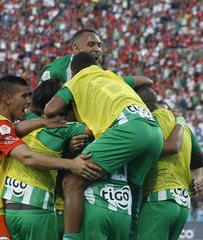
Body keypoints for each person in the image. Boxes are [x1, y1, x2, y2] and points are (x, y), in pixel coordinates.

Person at [0, 75, 100, 240]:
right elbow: (27, 157)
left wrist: (44, 123)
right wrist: (71, 164)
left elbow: (18, 128)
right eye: (24, 96)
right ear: (7, 99)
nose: (28, 101)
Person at [44, 52, 164, 240]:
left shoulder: (77, 80)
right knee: (132, 186)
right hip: (155, 132)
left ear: (73, 71)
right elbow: (145, 80)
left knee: (72, 182)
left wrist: (70, 93)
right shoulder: (112, 76)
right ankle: (132, 236)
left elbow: (50, 109)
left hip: (128, 127)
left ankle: (70, 238)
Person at [1, 79, 93, 240]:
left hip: (10, 210)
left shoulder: (26, 119)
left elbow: (15, 129)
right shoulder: (66, 128)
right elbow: (98, 128)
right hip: (39, 209)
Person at [134, 86, 203, 240]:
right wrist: (198, 179)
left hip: (158, 198)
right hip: (182, 204)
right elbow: (200, 160)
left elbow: (170, 147)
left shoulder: (147, 121)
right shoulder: (181, 124)